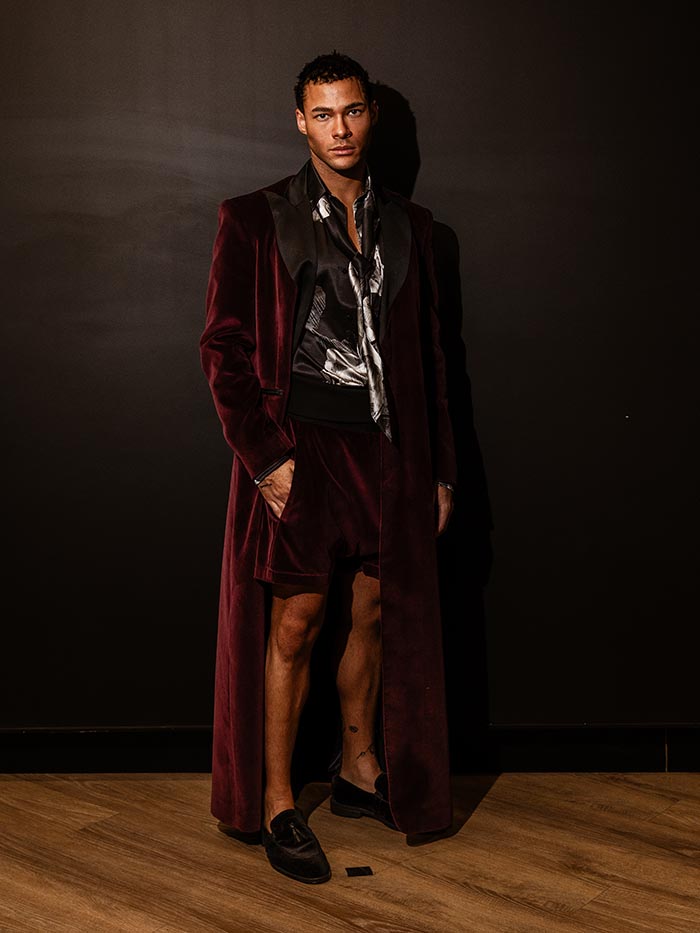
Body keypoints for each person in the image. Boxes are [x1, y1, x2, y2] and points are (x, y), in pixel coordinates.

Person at [200, 51, 457, 885]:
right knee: (297, 623)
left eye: (351, 111)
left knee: (374, 612)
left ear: (369, 114)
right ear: (299, 122)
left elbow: (432, 359)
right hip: (302, 449)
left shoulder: (412, 225)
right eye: (322, 114)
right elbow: (223, 349)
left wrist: (441, 470)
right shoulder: (255, 217)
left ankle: (358, 770)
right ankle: (279, 800)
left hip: (389, 452)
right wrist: (266, 457)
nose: (338, 128)